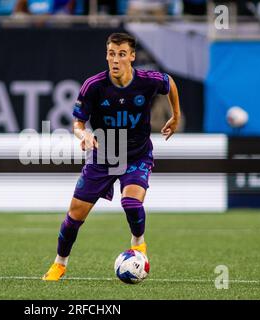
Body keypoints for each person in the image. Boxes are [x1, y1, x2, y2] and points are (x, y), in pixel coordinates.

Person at [42, 33, 181, 281]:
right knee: (74, 217)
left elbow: (169, 83)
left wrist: (176, 115)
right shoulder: (93, 86)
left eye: (121, 54)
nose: (115, 60)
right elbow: (77, 122)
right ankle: (59, 264)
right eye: (111, 54)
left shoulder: (147, 81)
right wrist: (82, 134)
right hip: (103, 156)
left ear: (132, 56)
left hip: (137, 155)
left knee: (131, 203)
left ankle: (138, 243)